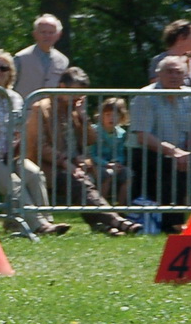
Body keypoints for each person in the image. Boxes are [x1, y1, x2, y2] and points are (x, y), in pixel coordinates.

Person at [0, 50, 69, 236]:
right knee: (14, 183)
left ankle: (47, 221)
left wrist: (16, 149)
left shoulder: (16, 99)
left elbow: (17, 132)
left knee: (35, 174)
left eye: (3, 68)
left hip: (8, 156)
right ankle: (40, 226)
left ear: (10, 72)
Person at [24, 67, 136, 235]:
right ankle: (114, 220)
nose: (76, 96)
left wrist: (83, 116)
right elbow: (40, 146)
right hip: (48, 166)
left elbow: (91, 140)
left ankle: (104, 224)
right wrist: (65, 163)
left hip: (76, 164)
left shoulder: (75, 110)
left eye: (80, 93)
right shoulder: (41, 108)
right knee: (79, 182)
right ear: (62, 86)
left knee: (94, 177)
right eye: (73, 91)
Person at [128, 54, 191, 232]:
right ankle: (172, 224)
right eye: (169, 72)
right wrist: (175, 152)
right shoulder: (146, 96)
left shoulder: (188, 96)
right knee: (172, 165)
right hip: (146, 152)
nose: (173, 76)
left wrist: (185, 152)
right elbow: (143, 136)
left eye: (178, 72)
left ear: (185, 76)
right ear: (159, 74)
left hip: (179, 152)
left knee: (181, 162)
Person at [12, 13, 68, 98]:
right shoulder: (20, 58)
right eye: (43, 32)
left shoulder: (63, 61)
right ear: (35, 34)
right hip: (24, 109)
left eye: (51, 32)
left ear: (58, 35)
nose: (47, 36)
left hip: (50, 110)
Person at [91, 96, 132, 209]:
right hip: (97, 164)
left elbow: (120, 152)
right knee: (107, 174)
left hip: (114, 164)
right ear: (101, 116)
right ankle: (102, 208)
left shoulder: (121, 133)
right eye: (108, 115)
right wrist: (106, 164)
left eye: (115, 115)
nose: (111, 118)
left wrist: (118, 162)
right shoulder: (94, 131)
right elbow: (92, 154)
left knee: (128, 174)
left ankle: (122, 207)